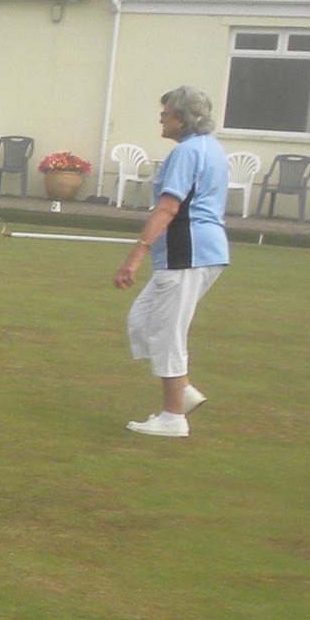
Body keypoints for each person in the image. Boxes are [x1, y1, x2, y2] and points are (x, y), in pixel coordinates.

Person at [115, 85, 229, 438]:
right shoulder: (209, 148)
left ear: (181, 118)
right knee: (142, 322)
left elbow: (168, 207)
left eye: (165, 114)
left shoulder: (187, 153)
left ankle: (173, 417)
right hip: (196, 252)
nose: (161, 120)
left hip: (188, 251)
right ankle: (183, 390)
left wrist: (135, 256)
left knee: (167, 334)